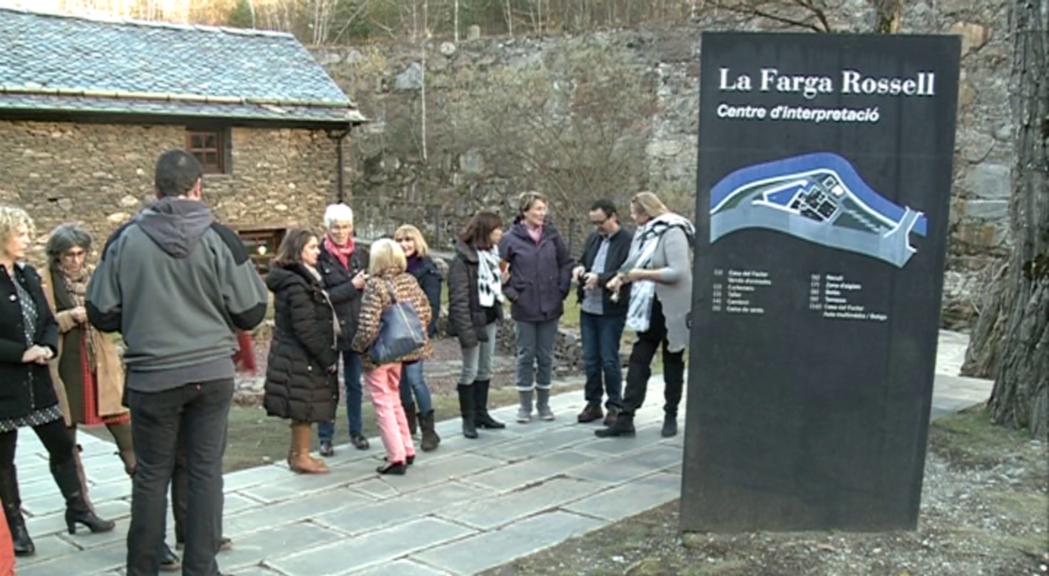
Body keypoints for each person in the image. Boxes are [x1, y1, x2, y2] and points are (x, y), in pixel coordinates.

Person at [87, 150, 268, 575]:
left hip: (153, 376)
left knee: (152, 473)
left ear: (155, 190)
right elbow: (252, 310)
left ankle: (144, 567)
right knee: (205, 472)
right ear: (199, 187)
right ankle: (201, 567)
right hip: (210, 372)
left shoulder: (124, 239)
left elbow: (101, 311)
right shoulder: (221, 238)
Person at [43, 224, 184, 571]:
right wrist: (68, 317)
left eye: (80, 253)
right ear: (57, 257)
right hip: (66, 371)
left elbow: (119, 312)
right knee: (65, 440)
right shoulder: (46, 282)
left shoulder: (99, 277)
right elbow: (40, 324)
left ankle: (153, 534)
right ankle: (78, 506)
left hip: (103, 368)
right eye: (68, 255)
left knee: (130, 438)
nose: (75, 261)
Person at [0, 206, 114, 557]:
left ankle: (77, 507)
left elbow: (48, 319)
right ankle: (16, 527)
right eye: (21, 234)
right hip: (5, 385)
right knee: (4, 461)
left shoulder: (27, 275)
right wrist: (21, 353)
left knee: (62, 446)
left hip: (38, 382)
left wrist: (47, 346)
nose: (27, 241)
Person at [595, 192, 694, 439]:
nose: (632, 218)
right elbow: (633, 262)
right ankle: (626, 417)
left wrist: (642, 275)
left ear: (647, 212)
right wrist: (621, 277)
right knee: (639, 360)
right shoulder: (645, 232)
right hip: (647, 306)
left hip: (671, 306)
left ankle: (670, 414)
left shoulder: (673, 231)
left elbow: (678, 272)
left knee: (672, 360)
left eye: (634, 213)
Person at [351, 239, 432, 475]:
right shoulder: (410, 281)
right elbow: (425, 312)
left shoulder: (375, 285)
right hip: (401, 351)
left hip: (379, 353)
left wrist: (358, 347)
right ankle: (407, 448)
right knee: (394, 397)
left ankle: (396, 456)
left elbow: (368, 326)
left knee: (382, 402)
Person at [263, 229, 339, 475]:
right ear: (298, 251)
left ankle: (297, 453)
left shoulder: (301, 278)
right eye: (312, 247)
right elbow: (305, 327)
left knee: (303, 402)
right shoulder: (296, 284)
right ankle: (301, 456)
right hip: (299, 354)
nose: (318, 251)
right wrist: (326, 357)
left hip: (295, 351)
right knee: (304, 403)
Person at [499, 192, 574, 423]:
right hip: (525, 307)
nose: (542, 213)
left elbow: (566, 263)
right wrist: (514, 295)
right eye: (537, 209)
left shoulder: (552, 235)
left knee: (545, 355)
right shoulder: (510, 239)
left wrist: (562, 289)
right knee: (525, 354)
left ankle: (544, 404)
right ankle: (524, 406)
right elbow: (499, 271)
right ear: (525, 211)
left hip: (551, 305)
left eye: (544, 209)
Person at [572, 200, 633, 426]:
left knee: (609, 358)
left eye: (601, 222)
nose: (598, 227)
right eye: (594, 223)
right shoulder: (593, 239)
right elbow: (584, 261)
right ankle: (593, 403)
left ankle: (615, 404)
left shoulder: (627, 241)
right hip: (589, 307)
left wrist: (601, 279)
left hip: (611, 309)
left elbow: (627, 272)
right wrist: (579, 269)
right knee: (590, 359)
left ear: (613, 217)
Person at [447, 211, 508, 439]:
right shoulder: (463, 260)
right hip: (472, 320)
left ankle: (482, 413)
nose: (500, 233)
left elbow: (493, 285)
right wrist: (466, 332)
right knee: (469, 370)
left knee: (485, 367)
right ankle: (468, 418)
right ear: (485, 231)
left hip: (489, 317)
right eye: (496, 229)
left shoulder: (492, 255)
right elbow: (458, 298)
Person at [315, 203, 370, 456]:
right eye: (336, 227)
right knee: (327, 386)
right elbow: (319, 296)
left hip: (355, 330)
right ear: (327, 228)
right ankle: (325, 437)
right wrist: (352, 286)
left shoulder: (359, 254)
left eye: (345, 226)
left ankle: (356, 432)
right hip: (330, 331)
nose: (340, 232)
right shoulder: (318, 257)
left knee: (355, 385)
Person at [394, 224, 442, 452]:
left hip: (416, 333)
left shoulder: (427, 269)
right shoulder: (393, 268)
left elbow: (432, 305)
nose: (404, 245)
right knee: (400, 382)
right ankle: (407, 425)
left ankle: (428, 429)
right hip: (395, 334)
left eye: (409, 240)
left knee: (415, 379)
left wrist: (424, 332)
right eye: (401, 240)